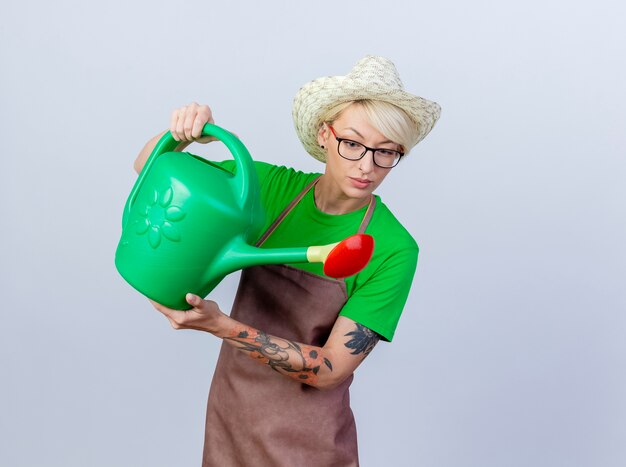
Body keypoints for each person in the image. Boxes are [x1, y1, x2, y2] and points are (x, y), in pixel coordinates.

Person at [134, 55, 441, 467]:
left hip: (309, 444)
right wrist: (186, 135)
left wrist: (220, 326)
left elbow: (331, 368)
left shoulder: (392, 247)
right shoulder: (272, 190)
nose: (367, 166)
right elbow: (147, 168)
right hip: (231, 421)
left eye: (386, 152)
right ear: (324, 135)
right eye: (353, 143)